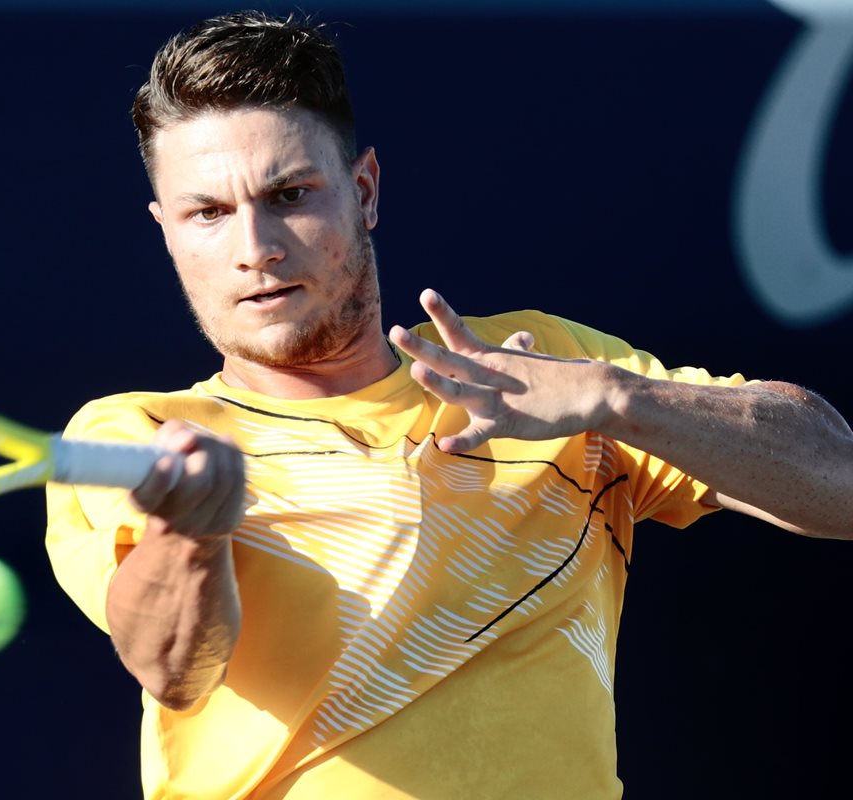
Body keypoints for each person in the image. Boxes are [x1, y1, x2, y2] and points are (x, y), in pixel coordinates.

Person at [44, 10, 853, 799]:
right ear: (168, 231)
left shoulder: (544, 362)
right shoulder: (139, 437)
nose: (256, 249)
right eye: (209, 214)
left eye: (289, 195)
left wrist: (611, 397)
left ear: (364, 190)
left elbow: (840, 487)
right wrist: (188, 536)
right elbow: (174, 669)